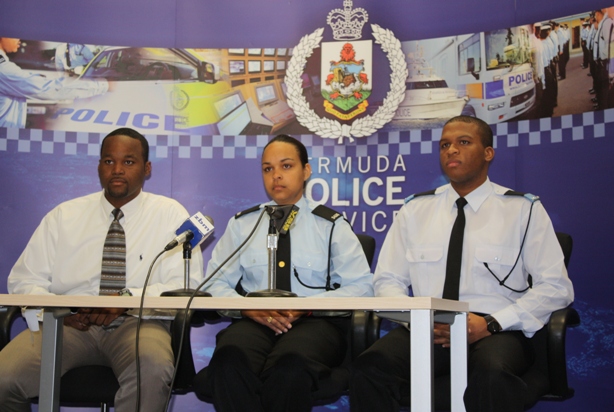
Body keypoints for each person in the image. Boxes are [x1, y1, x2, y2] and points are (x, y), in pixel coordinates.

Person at [349, 115, 574, 412]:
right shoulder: (415, 210)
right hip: (429, 327)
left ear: (488, 153)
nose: (451, 150)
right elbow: (387, 279)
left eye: (463, 142)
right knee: (369, 368)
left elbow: (555, 287)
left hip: (497, 329)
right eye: (445, 145)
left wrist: (492, 323)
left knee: (492, 373)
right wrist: (417, 320)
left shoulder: (523, 209)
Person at [0, 127, 204, 412]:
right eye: (109, 161)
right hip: (66, 325)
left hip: (138, 323)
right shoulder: (64, 216)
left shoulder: (170, 214)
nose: (117, 170)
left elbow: (183, 286)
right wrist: (60, 310)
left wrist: (125, 301)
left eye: (128, 161)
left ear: (147, 168)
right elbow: (25, 280)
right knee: (4, 377)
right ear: (99, 166)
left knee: (153, 369)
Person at [192, 134, 373, 412]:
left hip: (315, 323)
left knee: (290, 367)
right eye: (268, 168)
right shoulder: (243, 224)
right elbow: (214, 282)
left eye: (286, 166)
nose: (276, 175)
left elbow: (361, 286)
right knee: (229, 361)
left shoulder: (331, 225)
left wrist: (307, 307)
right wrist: (245, 307)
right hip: (255, 321)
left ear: (306, 171)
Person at [0, 37, 108, 128]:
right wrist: (102, 85)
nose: (18, 39)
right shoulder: (3, 69)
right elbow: (46, 89)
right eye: (13, 35)